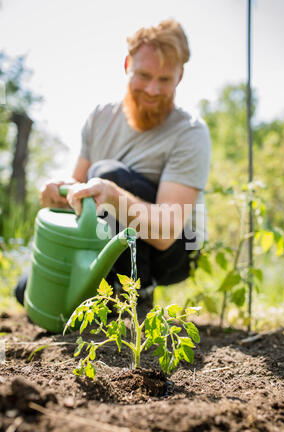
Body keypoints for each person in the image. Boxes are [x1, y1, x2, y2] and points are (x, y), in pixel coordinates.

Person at [15, 19, 211, 306]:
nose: (153, 90)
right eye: (144, 75)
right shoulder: (100, 118)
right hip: (107, 235)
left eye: (165, 80)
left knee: (108, 176)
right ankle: (104, 296)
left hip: (173, 249)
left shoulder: (190, 132)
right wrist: (61, 191)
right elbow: (80, 189)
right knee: (26, 290)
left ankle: (135, 299)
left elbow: (167, 233)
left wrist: (111, 194)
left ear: (180, 76)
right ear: (126, 65)